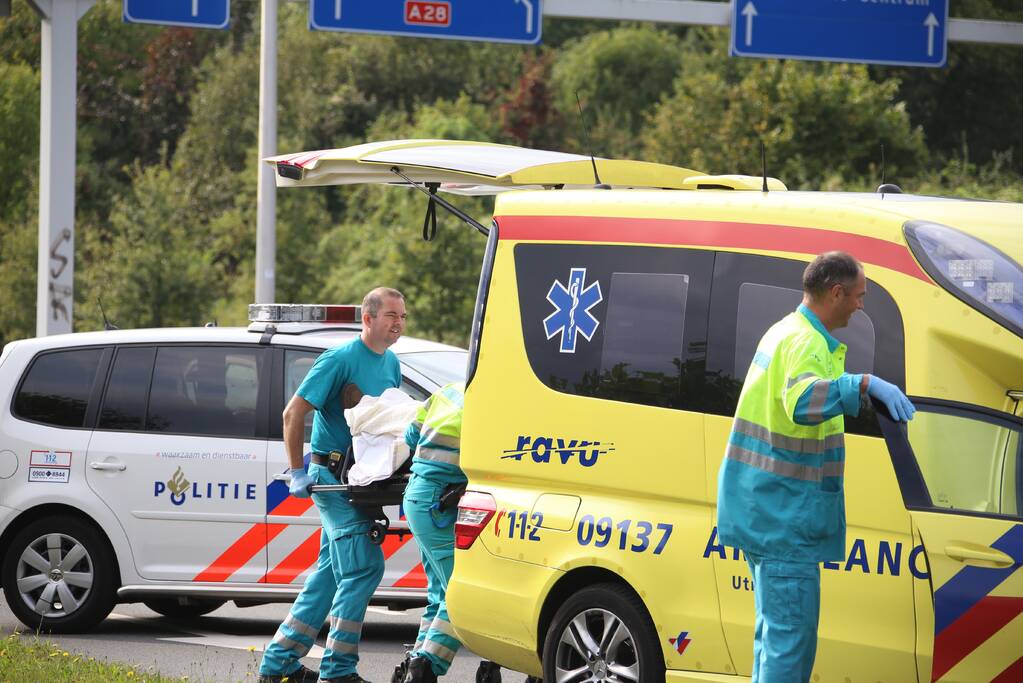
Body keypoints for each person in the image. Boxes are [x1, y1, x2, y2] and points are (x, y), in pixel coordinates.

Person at [716, 251, 915, 683]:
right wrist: (861, 383)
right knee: (789, 650)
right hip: (784, 521)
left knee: (774, 642)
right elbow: (802, 401)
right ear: (836, 292)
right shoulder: (805, 342)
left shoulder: (785, 331)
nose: (861, 306)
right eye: (858, 296)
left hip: (769, 512)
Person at [258, 287, 408, 683]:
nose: (399, 323)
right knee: (363, 568)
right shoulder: (338, 360)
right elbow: (293, 412)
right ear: (368, 318)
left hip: (361, 480)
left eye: (403, 317)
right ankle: (338, 671)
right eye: (392, 315)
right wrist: (297, 471)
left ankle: (278, 665)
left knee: (328, 576)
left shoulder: (391, 363)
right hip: (331, 477)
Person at [399, 381, 467, 682]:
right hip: (437, 504)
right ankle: (425, 667)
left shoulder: (451, 389)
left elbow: (410, 435)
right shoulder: (488, 400)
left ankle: (415, 661)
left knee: (439, 595)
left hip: (419, 497)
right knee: (461, 596)